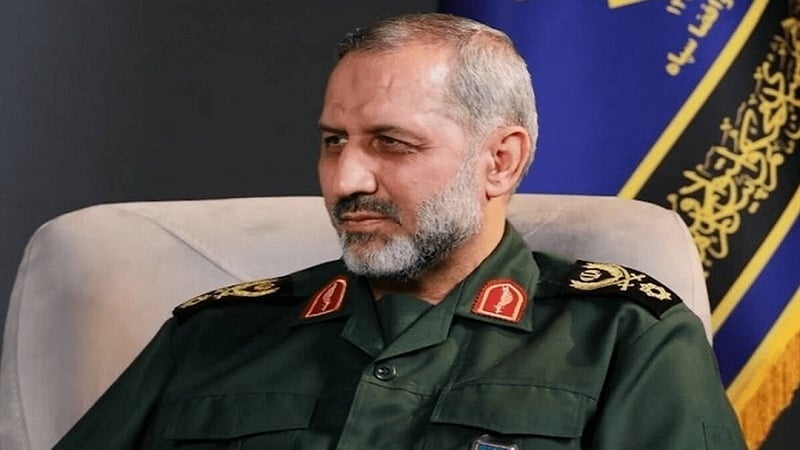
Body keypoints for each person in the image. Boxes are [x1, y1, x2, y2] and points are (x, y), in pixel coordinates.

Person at [54, 13, 746, 449]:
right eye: (333, 141)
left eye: (391, 143)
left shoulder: (625, 339)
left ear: (499, 161)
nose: (345, 179)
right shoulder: (214, 336)